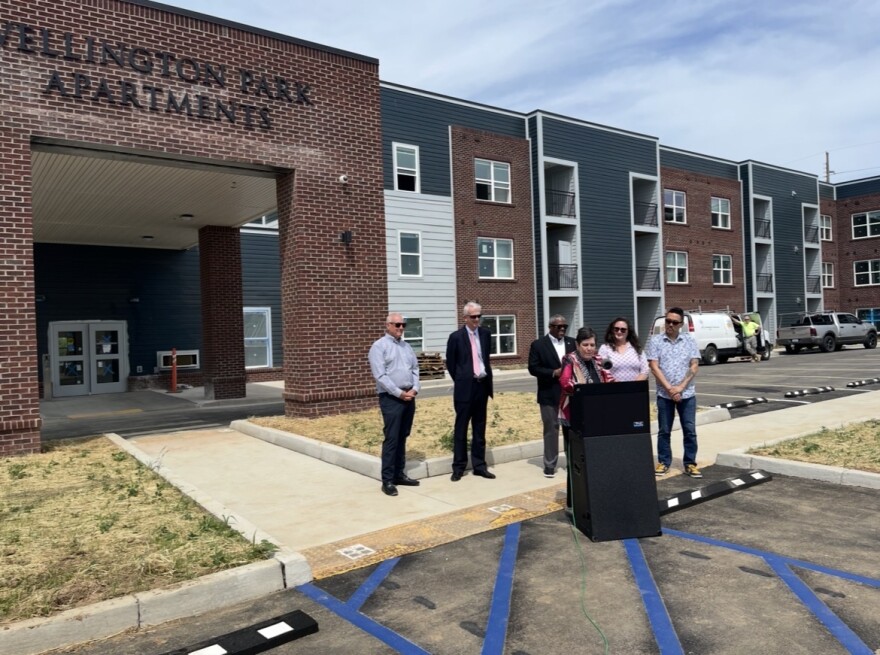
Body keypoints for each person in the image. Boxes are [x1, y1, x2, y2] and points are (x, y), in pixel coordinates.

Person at [558, 327, 614, 510]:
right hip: (575, 417)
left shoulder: (599, 360)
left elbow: (610, 380)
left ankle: (596, 498)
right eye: (585, 345)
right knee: (576, 460)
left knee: (597, 459)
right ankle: (574, 503)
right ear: (577, 345)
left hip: (597, 416)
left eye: (592, 345)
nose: (590, 348)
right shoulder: (569, 359)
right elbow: (566, 383)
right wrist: (588, 390)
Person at [368, 312, 421, 497]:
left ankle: (399, 474)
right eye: (397, 325)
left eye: (403, 325)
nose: (400, 328)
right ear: (388, 325)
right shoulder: (379, 347)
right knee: (391, 438)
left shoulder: (407, 347)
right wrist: (399, 393)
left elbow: (415, 368)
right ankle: (388, 480)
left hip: (409, 396)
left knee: (403, 436)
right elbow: (380, 376)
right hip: (391, 398)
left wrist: (415, 389)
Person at [646, 307, 702, 478]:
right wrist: (670, 389)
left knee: (690, 430)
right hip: (665, 395)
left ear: (681, 324)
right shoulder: (655, 341)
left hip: (687, 394)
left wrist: (680, 387)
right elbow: (654, 367)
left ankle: (690, 463)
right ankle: (663, 462)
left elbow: (694, 365)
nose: (670, 325)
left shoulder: (689, 340)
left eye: (674, 322)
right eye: (667, 321)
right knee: (664, 430)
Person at [445, 301, 496, 481]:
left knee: (479, 427)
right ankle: (458, 467)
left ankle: (479, 466)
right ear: (465, 317)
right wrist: (462, 378)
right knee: (461, 428)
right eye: (473, 316)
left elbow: (485, 358)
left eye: (478, 316)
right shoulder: (456, 337)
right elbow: (451, 363)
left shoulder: (485, 334)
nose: (476, 320)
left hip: (482, 386)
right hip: (465, 388)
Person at [528, 314, 576, 478]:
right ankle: (550, 464)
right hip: (549, 394)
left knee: (570, 430)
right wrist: (552, 373)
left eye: (565, 326)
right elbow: (533, 368)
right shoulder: (538, 345)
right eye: (559, 326)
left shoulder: (572, 343)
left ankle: (572, 461)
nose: (562, 329)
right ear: (550, 327)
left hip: (570, 395)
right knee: (551, 429)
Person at [598, 317, 648, 381]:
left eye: (623, 330)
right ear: (612, 330)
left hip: (636, 388)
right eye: (616, 329)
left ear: (628, 332)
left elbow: (645, 370)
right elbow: (602, 370)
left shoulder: (636, 348)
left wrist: (634, 385)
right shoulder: (605, 348)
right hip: (613, 388)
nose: (619, 332)